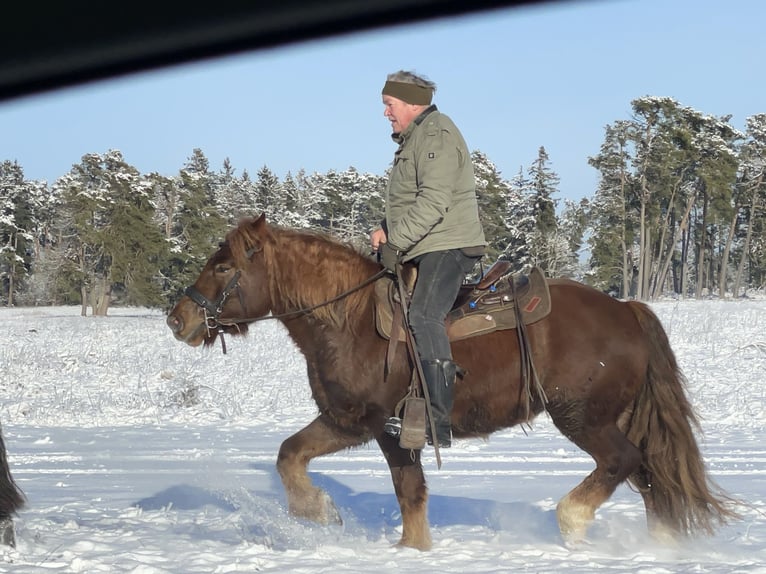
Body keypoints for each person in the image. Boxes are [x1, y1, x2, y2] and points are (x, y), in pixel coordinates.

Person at [370, 70, 486, 448]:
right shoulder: (416, 137)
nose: (385, 113)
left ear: (412, 103)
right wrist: (387, 228)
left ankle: (437, 420)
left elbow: (434, 201)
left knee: (422, 315)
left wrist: (396, 243)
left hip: (447, 243)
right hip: (423, 242)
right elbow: (410, 198)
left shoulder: (436, 134)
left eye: (390, 104)